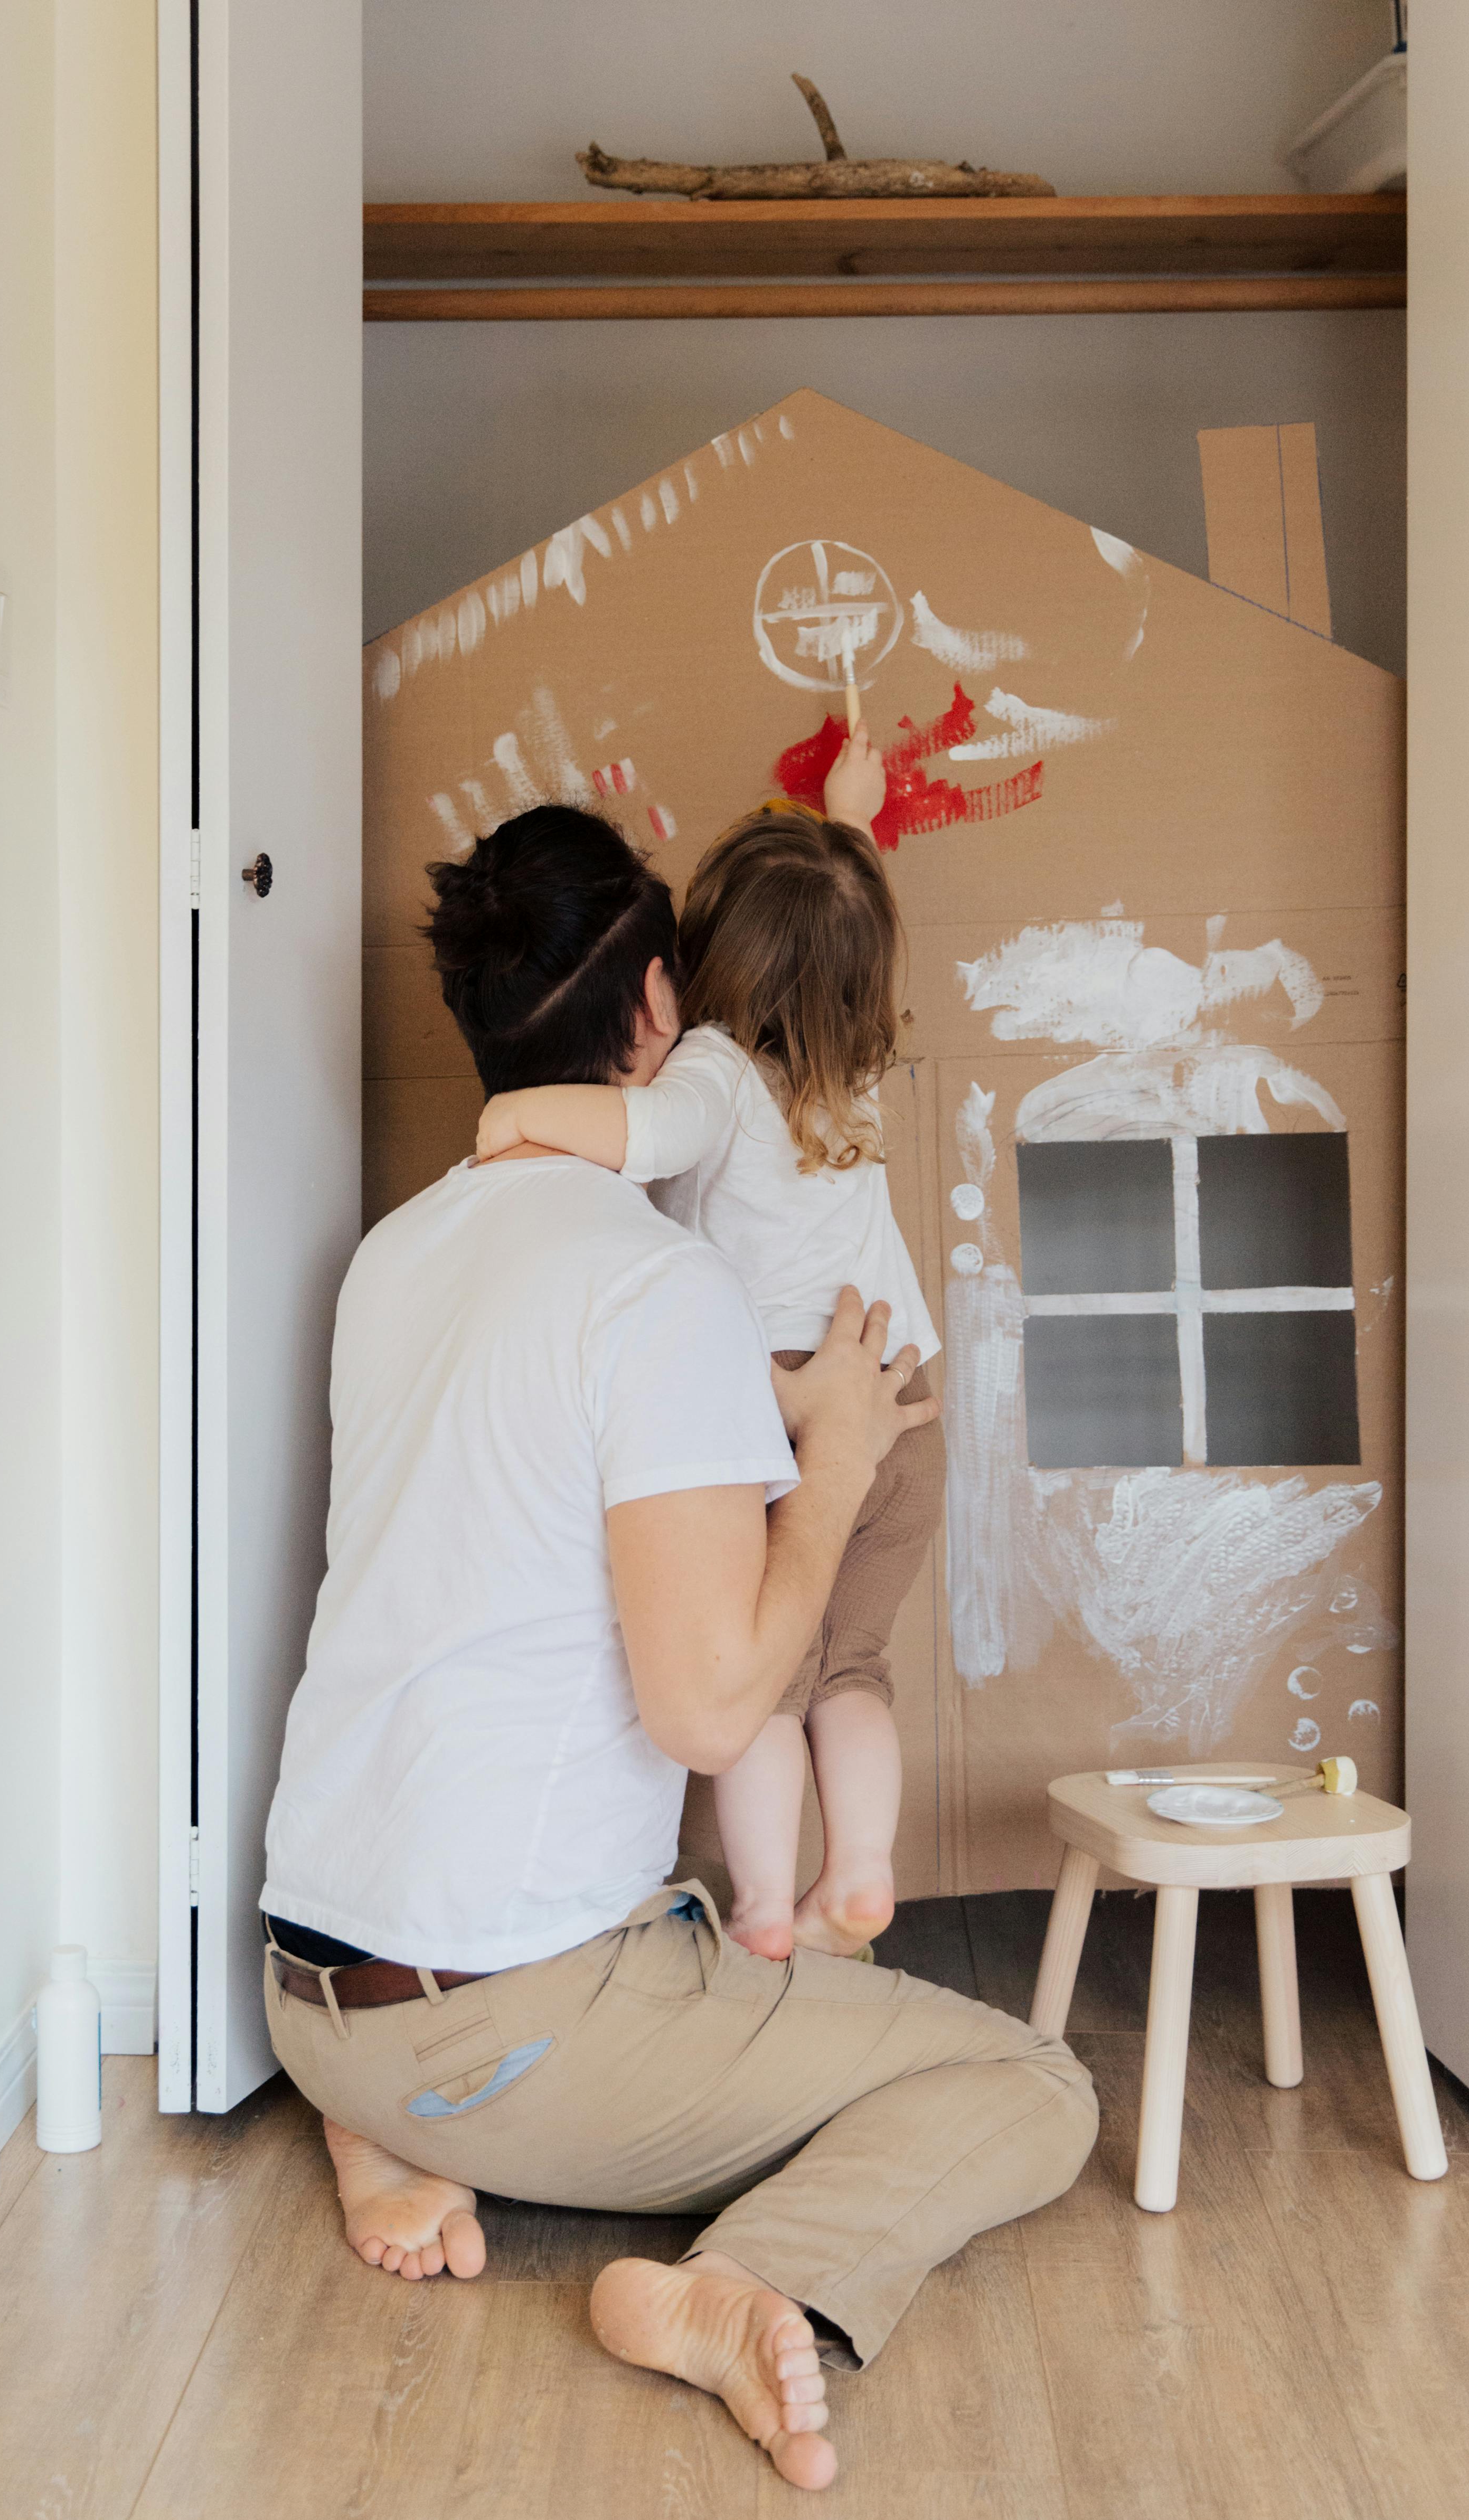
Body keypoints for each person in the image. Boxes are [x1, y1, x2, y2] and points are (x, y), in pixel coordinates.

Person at [258, 799, 1097, 2493]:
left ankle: (385, 2122)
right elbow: (712, 1704)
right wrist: (841, 1451)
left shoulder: (395, 1252)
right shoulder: (659, 1291)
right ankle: (731, 2282)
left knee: (685, 1897)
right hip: (502, 2018)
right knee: (1031, 2085)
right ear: (658, 1011)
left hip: (304, 1986)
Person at [473, 724, 939, 1966]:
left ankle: (769, 1904)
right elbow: (848, 917)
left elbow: (636, 1134)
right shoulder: (862, 1063)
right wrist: (854, 825)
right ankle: (867, 1867)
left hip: (780, 1411)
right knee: (858, 1669)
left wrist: (515, 1109)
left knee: (774, 1680)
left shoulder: (719, 1072)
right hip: (904, 1401)